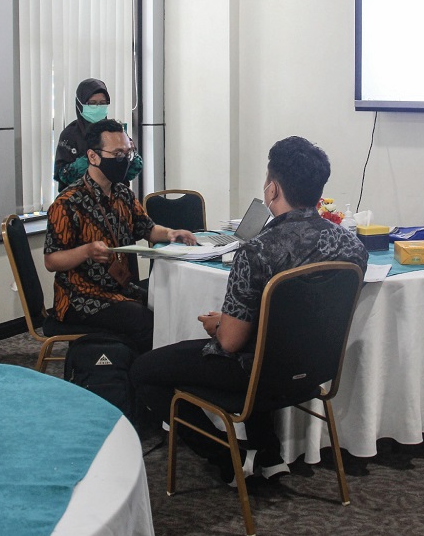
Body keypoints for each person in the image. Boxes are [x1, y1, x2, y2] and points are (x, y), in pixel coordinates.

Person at [130, 136, 369, 485]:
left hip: (257, 374)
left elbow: (230, 342)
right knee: (260, 343)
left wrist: (219, 325)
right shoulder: (351, 244)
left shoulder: (256, 251)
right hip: (316, 369)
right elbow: (298, 316)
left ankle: (228, 456)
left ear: (273, 189)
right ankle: (268, 454)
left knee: (144, 371)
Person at [44, 118, 197, 354]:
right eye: (117, 154)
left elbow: (147, 228)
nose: (124, 160)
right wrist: (86, 251)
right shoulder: (68, 203)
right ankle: (138, 372)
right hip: (80, 297)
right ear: (93, 157)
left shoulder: (123, 193)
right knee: (144, 321)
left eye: (128, 153)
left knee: (168, 308)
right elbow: (51, 261)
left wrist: (170, 233)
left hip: (119, 288)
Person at [54, 78, 143, 192]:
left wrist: (129, 155)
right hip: (80, 196)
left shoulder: (115, 131)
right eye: (92, 103)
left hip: (115, 195)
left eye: (102, 103)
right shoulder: (70, 135)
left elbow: (133, 169)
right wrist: (93, 159)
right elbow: (63, 175)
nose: (98, 107)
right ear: (80, 104)